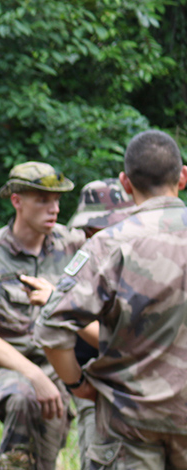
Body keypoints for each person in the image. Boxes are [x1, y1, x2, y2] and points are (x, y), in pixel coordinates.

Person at [36, 129, 187, 469]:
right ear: (183, 176)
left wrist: (78, 385)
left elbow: (51, 327)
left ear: (125, 183)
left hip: (126, 423)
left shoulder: (107, 244)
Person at [0, 162, 84, 470]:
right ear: (17, 201)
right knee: (24, 396)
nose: (54, 208)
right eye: (42, 200)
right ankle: (13, 464)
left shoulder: (74, 246)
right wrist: (35, 374)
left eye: (56, 200)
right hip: (4, 365)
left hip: (61, 360)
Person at [62, 178, 135, 469]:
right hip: (94, 379)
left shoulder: (145, 257)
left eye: (102, 228)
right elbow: (56, 322)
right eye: (89, 229)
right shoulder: (82, 258)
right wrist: (79, 384)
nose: (94, 235)